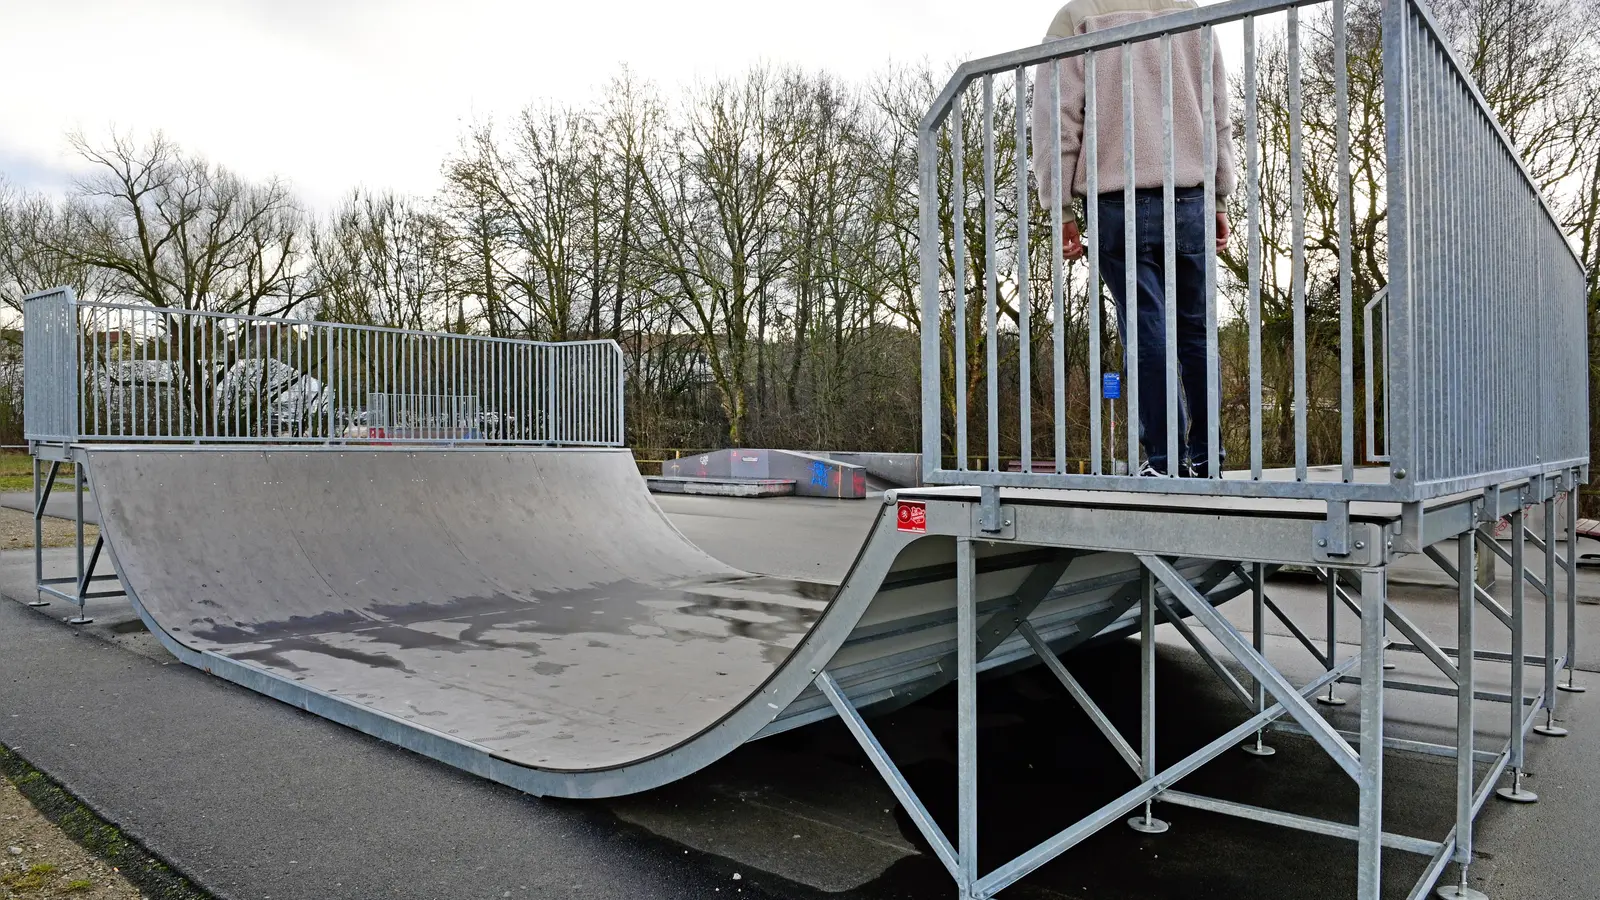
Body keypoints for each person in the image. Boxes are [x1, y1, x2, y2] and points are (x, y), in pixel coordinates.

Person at [1030, 0, 1236, 477]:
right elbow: (1217, 111)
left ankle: (1165, 462)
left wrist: (1060, 207)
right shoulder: (1188, 8)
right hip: (1190, 194)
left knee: (1146, 330)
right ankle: (1207, 458)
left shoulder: (1078, 15)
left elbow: (1056, 119)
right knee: (1196, 331)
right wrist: (1220, 195)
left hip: (1117, 196)